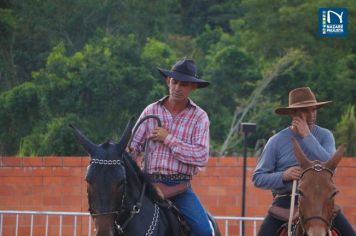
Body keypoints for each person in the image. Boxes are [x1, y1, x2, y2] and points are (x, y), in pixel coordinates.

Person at [252, 87, 355, 235]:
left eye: (314, 110)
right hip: (285, 202)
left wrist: (307, 136)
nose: (312, 115)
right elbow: (258, 178)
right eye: (306, 111)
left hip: (321, 203)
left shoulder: (325, 136)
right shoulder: (276, 141)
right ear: (293, 113)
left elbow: (332, 167)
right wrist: (283, 176)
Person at [129, 58, 213, 236]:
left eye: (184, 84)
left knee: (204, 231)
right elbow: (132, 148)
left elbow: (201, 156)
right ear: (168, 81)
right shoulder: (150, 111)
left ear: (193, 87)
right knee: (115, 220)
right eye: (175, 82)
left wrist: (168, 139)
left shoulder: (200, 117)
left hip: (179, 188)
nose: (177, 88)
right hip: (148, 185)